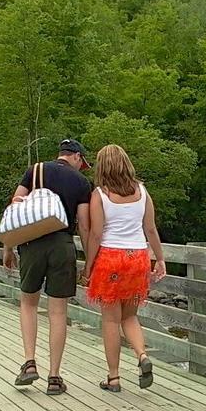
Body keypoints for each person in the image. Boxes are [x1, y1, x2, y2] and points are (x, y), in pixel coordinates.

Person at [3, 139, 92, 395]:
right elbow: (84, 226)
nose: (81, 167)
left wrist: (9, 246)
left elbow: (15, 206)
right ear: (75, 157)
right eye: (82, 162)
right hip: (62, 244)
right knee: (58, 312)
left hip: (31, 242)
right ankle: (54, 377)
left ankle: (30, 362)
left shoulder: (36, 170)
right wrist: (89, 261)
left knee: (28, 303)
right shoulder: (81, 183)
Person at [84, 145, 166, 392]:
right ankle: (142, 355)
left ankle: (114, 377)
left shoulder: (100, 194)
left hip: (110, 257)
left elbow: (96, 234)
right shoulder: (142, 192)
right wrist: (160, 259)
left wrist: (89, 266)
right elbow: (150, 229)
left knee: (110, 320)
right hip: (138, 257)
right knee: (130, 316)